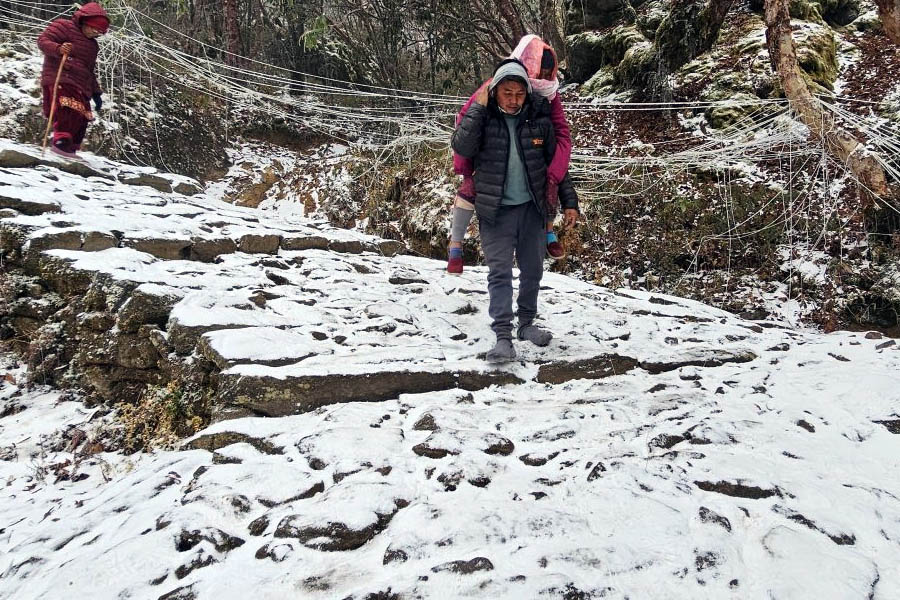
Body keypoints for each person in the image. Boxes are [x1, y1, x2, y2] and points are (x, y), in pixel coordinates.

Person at [451, 59, 579, 363]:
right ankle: (503, 336)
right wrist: (478, 108)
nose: (513, 100)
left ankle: (526, 324)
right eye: (506, 93)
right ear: (495, 92)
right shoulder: (484, 119)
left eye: (519, 94)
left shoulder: (538, 122)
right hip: (495, 211)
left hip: (533, 210)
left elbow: (557, 168)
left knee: (533, 270)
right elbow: (462, 146)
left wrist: (570, 202)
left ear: (527, 94)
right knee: (500, 273)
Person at [448, 34, 572, 274]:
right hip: (489, 159)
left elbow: (560, 131)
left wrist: (555, 169)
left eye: (549, 74)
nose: (544, 79)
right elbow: (466, 121)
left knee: (543, 179)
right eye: (540, 72)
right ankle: (456, 244)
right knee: (469, 190)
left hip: (529, 155)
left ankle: (548, 231)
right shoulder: (497, 86)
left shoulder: (549, 94)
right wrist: (465, 167)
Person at [37, 2, 109, 158]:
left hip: (82, 84)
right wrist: (58, 49)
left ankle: (71, 148)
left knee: (82, 117)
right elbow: (43, 41)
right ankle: (61, 142)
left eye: (99, 32)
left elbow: (89, 71)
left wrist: (96, 93)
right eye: (94, 29)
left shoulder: (93, 46)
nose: (96, 33)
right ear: (85, 22)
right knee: (68, 109)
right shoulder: (63, 26)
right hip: (61, 76)